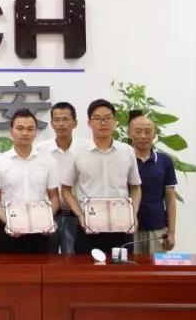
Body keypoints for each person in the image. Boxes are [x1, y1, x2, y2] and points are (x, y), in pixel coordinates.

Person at [61, 99, 142, 255]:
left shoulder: (127, 151)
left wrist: (133, 213)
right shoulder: (76, 152)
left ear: (114, 121)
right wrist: (80, 215)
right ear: (89, 123)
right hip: (89, 226)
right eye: (97, 118)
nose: (103, 123)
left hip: (121, 225)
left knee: (121, 268)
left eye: (107, 118)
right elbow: (65, 189)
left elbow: (135, 187)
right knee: (87, 269)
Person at [0, 109, 59, 254]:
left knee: (42, 269)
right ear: (11, 131)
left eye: (30, 129)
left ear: (36, 132)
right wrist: (9, 222)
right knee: (8, 269)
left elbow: (54, 197)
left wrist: (48, 220)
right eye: (20, 128)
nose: (25, 133)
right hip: (9, 232)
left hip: (41, 233)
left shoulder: (48, 162)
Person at [35, 102, 85, 254]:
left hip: (78, 215)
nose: (61, 124)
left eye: (65, 119)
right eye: (57, 120)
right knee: (49, 258)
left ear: (75, 123)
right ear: (51, 123)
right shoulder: (39, 150)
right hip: (50, 214)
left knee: (75, 259)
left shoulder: (86, 148)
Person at [128, 111, 177, 254]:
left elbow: (170, 199)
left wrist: (172, 232)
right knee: (129, 267)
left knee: (156, 268)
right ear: (129, 134)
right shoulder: (123, 160)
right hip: (129, 229)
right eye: (138, 131)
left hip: (157, 230)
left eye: (148, 131)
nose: (143, 136)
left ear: (154, 134)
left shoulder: (164, 161)